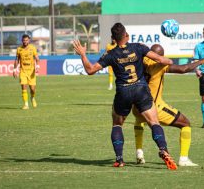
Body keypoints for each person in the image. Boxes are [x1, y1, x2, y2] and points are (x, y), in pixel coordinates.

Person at [72, 22, 178, 170]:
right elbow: (161, 60)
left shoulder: (110, 54)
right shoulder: (138, 47)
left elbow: (90, 70)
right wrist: (169, 61)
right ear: (126, 35)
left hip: (123, 92)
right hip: (141, 89)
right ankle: (164, 150)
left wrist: (83, 54)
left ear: (113, 38)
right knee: (154, 122)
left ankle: (119, 159)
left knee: (117, 124)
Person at [133, 44, 204, 167]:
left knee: (140, 120)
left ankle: (139, 152)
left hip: (136, 107)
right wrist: (200, 61)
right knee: (185, 123)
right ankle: (183, 159)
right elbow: (183, 69)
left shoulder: (139, 60)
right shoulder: (160, 65)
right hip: (153, 107)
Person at [13, 34, 40, 110]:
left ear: (29, 40)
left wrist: (37, 67)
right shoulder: (19, 49)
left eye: (26, 40)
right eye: (24, 40)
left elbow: (37, 59)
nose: (25, 41)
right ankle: (26, 104)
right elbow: (17, 60)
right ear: (22, 41)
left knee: (32, 89)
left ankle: (32, 97)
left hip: (31, 72)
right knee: (23, 87)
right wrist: (15, 70)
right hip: (23, 71)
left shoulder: (33, 48)